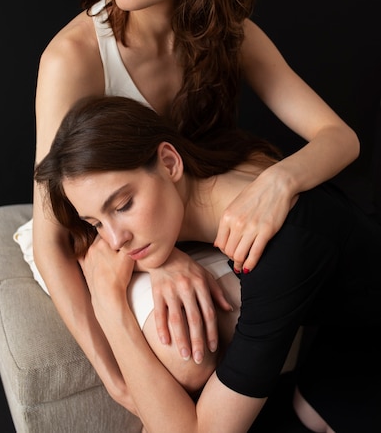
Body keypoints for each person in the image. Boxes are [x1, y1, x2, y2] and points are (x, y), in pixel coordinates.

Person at [27, 0, 360, 415]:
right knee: (188, 358)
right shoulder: (73, 57)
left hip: (172, 213)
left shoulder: (226, 31)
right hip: (94, 232)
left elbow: (339, 137)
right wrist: (114, 374)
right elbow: (54, 232)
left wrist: (280, 182)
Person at [34, 95, 381, 433]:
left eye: (123, 205)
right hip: (343, 330)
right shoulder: (208, 178)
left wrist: (110, 308)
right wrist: (161, 261)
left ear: (170, 163)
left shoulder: (277, 249)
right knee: (309, 413)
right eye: (96, 223)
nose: (114, 240)